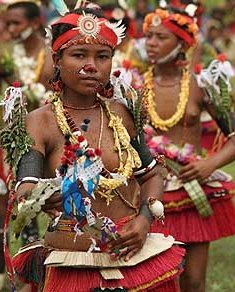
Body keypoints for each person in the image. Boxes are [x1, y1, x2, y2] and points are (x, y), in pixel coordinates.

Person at [1, 4, 185, 292]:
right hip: (72, 259)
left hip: (132, 252)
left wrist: (144, 221)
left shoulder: (123, 113)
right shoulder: (40, 122)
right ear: (56, 60)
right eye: (78, 55)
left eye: (102, 56)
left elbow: (151, 174)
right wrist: (40, 195)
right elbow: (26, 186)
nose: (91, 66)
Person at [142, 3, 235, 292]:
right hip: (148, 194)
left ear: (183, 43)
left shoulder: (200, 85)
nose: (152, 43)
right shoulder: (132, 86)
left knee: (193, 281)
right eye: (150, 36)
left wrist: (210, 164)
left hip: (189, 192)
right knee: (157, 279)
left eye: (161, 37)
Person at [5, 1, 53, 110]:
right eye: (8, 24)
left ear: (35, 23)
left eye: (16, 23)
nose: (11, 29)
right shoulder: (9, 56)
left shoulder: (53, 53)